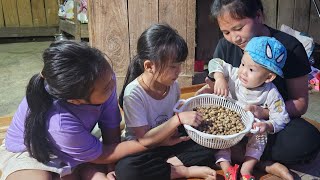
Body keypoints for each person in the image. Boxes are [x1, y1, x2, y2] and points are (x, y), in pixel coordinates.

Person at [0, 40, 198, 180]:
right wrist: (153, 140)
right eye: (106, 88)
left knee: (118, 166)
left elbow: (111, 126)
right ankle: (79, 169)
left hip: (81, 142)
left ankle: (81, 168)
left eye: (110, 77)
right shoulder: (59, 122)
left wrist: (112, 165)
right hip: (32, 152)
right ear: (76, 100)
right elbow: (103, 154)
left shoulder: (103, 78)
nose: (113, 84)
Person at [196, 0, 320, 179]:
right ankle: (261, 163)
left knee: (305, 140)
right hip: (231, 121)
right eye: (226, 32)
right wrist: (213, 85)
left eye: (239, 28)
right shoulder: (226, 45)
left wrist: (264, 113)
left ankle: (235, 153)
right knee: (189, 124)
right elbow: (215, 78)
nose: (234, 38)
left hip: (268, 124)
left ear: (259, 16)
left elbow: (300, 104)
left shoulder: (289, 48)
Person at [115, 24, 217, 180]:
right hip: (144, 149)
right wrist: (178, 120)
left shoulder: (172, 86)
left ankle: (168, 166)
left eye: (180, 65)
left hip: (169, 141)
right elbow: (145, 140)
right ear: (149, 66)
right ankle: (181, 170)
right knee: (127, 170)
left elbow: (174, 113)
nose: (179, 71)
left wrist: (191, 104)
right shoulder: (134, 93)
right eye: (173, 66)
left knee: (211, 139)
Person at [209, 36, 291, 180]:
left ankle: (247, 167)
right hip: (228, 126)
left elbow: (282, 117)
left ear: (269, 77)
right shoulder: (235, 75)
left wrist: (267, 125)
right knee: (218, 135)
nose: (243, 72)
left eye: (251, 69)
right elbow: (215, 62)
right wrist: (220, 77)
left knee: (260, 137)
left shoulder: (271, 93)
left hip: (251, 129)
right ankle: (227, 167)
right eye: (242, 64)